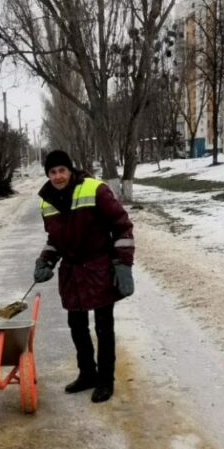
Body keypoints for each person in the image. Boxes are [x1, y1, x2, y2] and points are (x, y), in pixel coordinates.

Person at [33, 150, 135, 403]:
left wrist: (123, 264)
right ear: (48, 174)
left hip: (99, 267)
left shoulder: (95, 189)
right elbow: (55, 240)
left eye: (62, 170)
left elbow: (121, 225)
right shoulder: (46, 201)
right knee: (77, 327)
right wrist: (45, 260)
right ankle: (88, 373)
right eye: (53, 172)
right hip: (71, 271)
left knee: (103, 327)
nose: (58, 176)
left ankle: (105, 381)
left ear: (70, 170)